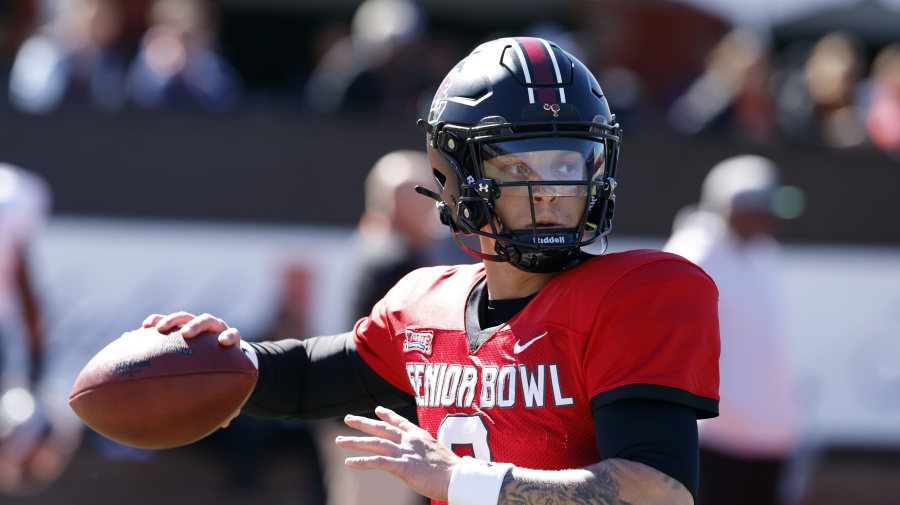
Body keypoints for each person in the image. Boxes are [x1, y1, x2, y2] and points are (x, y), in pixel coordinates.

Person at [143, 37, 720, 505]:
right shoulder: (424, 306)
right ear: (455, 179)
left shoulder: (639, 293)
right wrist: (213, 358)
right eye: (516, 165)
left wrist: (461, 483)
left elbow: (657, 494)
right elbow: (307, 379)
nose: (548, 191)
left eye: (568, 162)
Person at [663, 155, 804, 505]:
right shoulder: (694, 256)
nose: (768, 219)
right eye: (758, 209)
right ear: (730, 206)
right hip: (717, 436)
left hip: (770, 432)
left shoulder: (764, 253)